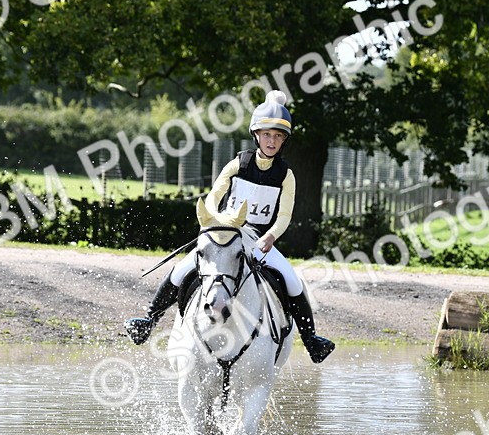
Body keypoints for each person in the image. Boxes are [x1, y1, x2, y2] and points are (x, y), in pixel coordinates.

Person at [125, 90, 335, 363]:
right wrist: (214, 223)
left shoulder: (286, 175)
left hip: (260, 240)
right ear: (256, 135)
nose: (272, 141)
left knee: (292, 280)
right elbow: (214, 196)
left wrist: (271, 236)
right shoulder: (238, 164)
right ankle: (149, 320)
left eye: (278, 136)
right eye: (267, 134)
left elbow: (284, 215)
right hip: (226, 234)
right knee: (183, 268)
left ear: (284, 141)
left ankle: (311, 340)